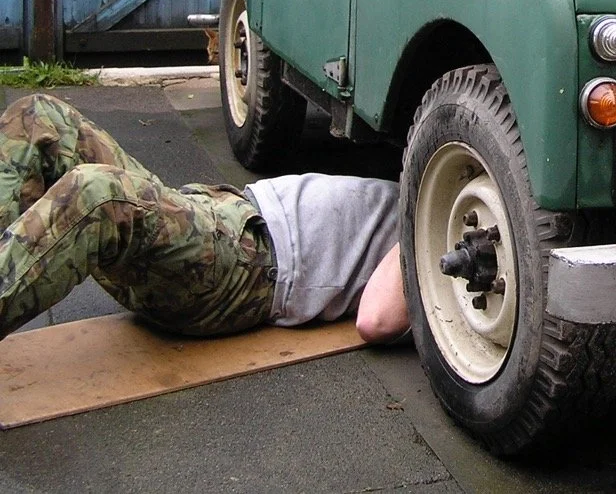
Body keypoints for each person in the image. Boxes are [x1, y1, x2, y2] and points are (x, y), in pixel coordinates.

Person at [0, 93, 409, 344]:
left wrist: (418, 220)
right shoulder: (431, 189)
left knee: (96, 194)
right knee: (37, 115)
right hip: (217, 214)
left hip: (244, 265)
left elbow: (377, 321)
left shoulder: (431, 240)